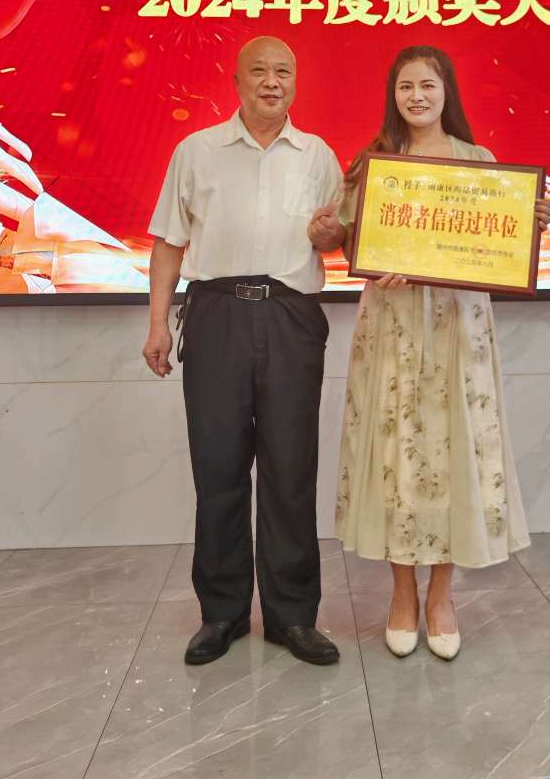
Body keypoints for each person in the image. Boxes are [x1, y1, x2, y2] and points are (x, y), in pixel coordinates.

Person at [329, 45, 550, 661]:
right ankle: (402, 593)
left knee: (455, 452)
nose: (417, 97)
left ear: (446, 91)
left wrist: (529, 219)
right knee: (395, 452)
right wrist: (360, 251)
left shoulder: (480, 164)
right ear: (393, 96)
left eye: (427, 85)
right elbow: (348, 238)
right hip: (394, 325)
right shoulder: (373, 163)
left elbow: (501, 240)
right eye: (406, 87)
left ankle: (442, 597)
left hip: (458, 327)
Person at [142, 36, 346, 667]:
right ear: (236, 81)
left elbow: (336, 240)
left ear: (296, 83)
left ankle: (293, 616)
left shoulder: (318, 156)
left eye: (283, 71)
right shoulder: (196, 151)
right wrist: (156, 324)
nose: (271, 81)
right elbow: (168, 242)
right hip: (216, 314)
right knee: (218, 466)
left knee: (291, 468)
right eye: (259, 70)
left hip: (290, 316)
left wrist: (331, 235)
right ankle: (222, 613)